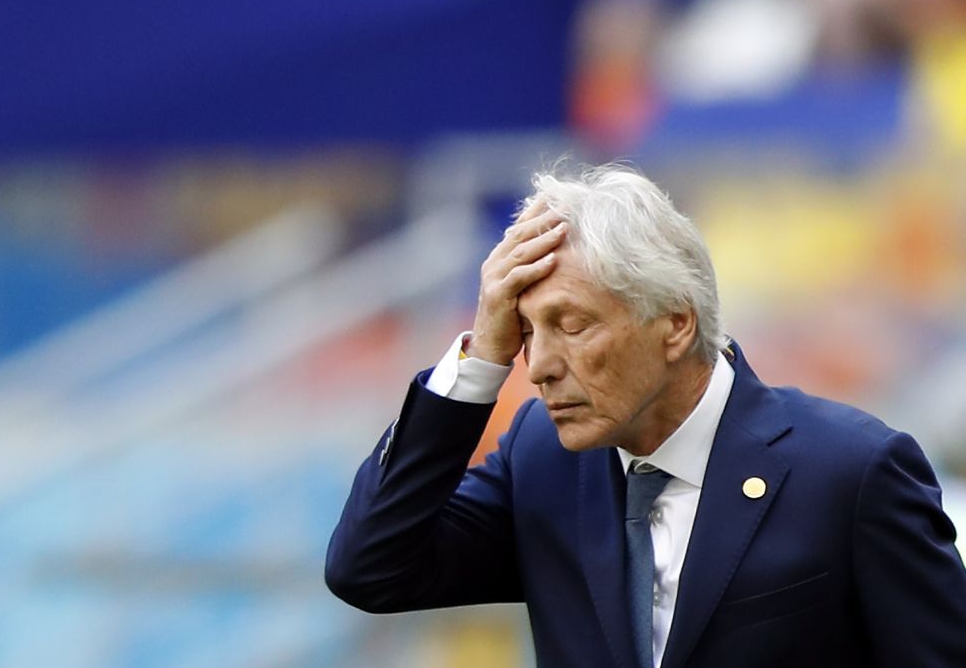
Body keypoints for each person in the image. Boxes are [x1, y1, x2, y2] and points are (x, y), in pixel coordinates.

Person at [325, 163, 966, 668]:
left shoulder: (849, 471)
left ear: (676, 324)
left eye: (571, 325)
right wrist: (481, 357)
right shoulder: (543, 458)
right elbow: (371, 568)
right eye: (523, 331)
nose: (539, 365)